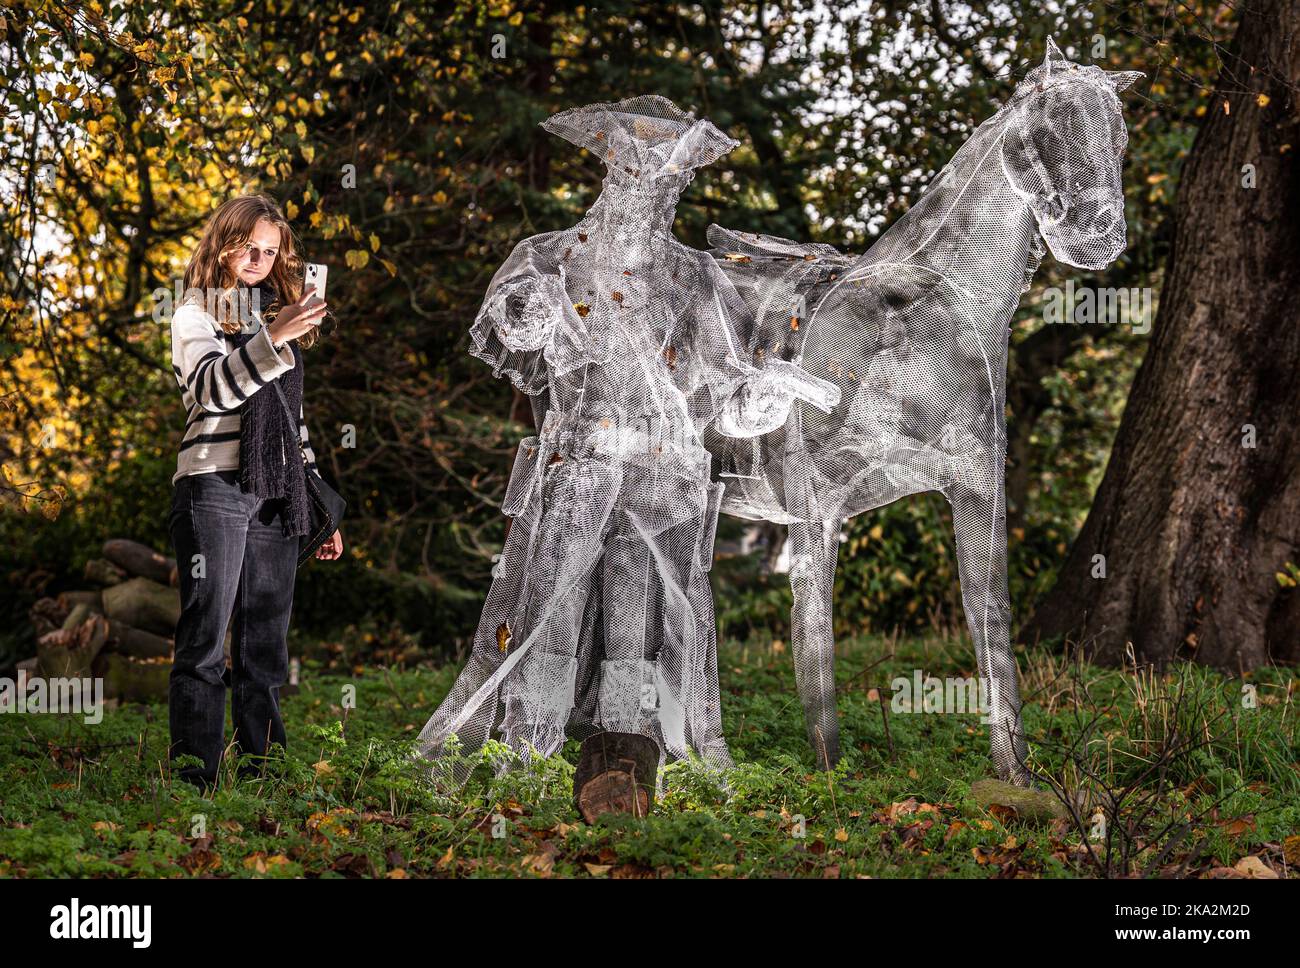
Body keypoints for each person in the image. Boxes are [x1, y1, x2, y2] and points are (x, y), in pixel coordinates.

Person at [414, 97, 837, 789]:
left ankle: (626, 760)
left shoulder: (697, 278)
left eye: (670, 172)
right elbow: (516, 327)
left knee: (640, 628)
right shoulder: (550, 260)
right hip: (579, 467)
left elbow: (729, 401)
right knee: (546, 616)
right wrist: (534, 309)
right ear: (611, 166)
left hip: (664, 478)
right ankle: (524, 756)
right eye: (638, 164)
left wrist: (771, 393)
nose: (652, 181)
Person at [166, 194, 341, 791]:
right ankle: (195, 780)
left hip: (274, 493)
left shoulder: (277, 318)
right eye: (250, 248)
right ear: (225, 243)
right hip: (212, 486)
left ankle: (265, 773)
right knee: (206, 640)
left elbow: (293, 428)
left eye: (271, 252)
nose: (260, 261)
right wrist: (273, 339)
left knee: (265, 643)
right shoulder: (195, 313)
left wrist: (314, 502)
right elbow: (213, 391)